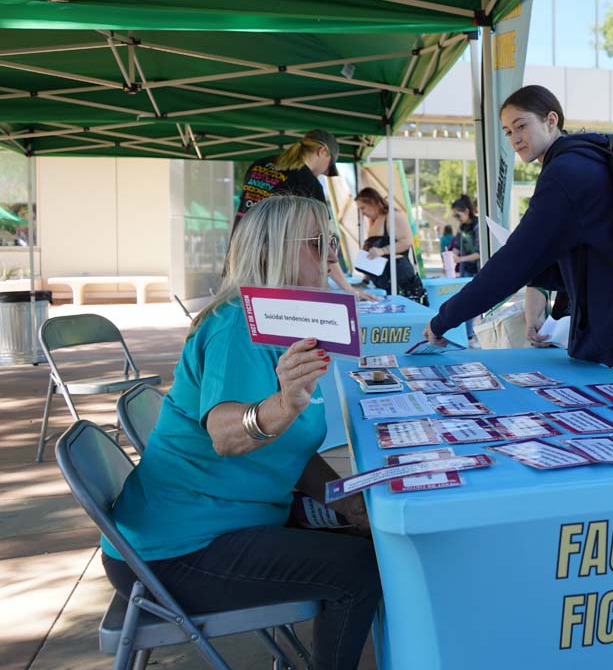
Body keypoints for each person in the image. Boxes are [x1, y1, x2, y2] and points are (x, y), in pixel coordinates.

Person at [101, 195, 382, 670]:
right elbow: (226, 436)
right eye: (319, 243)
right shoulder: (236, 324)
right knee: (361, 571)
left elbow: (290, 445)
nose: (333, 255)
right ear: (272, 250)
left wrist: (342, 502)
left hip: (226, 519)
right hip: (174, 549)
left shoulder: (286, 322)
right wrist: (283, 404)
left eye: (334, 241)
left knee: (376, 539)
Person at [423, 85, 613, 382]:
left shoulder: (566, 173)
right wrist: (536, 300)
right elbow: (562, 249)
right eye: (508, 131)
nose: (515, 138)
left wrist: (444, 320)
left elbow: (513, 263)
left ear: (551, 120)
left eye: (521, 125)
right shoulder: (586, 158)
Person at [233, 129, 377, 301]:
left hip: (241, 255)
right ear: (322, 151)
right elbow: (322, 243)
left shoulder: (260, 165)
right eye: (329, 165)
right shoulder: (308, 183)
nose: (326, 172)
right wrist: (347, 288)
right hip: (278, 272)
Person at [353, 186, 427, 304]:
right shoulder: (374, 221)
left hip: (398, 274)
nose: (362, 213)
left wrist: (383, 251)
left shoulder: (393, 216)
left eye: (363, 208)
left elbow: (407, 241)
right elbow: (373, 255)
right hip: (383, 278)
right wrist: (365, 280)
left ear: (373, 203)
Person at [450, 195, 481, 347]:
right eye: (454, 215)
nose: (457, 218)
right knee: (466, 301)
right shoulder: (462, 228)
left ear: (467, 211)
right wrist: (451, 255)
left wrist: (460, 259)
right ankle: (469, 335)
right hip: (466, 271)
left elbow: (480, 253)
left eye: (458, 215)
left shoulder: (478, 226)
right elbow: (456, 246)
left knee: (481, 303)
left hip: (479, 270)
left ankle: (479, 334)